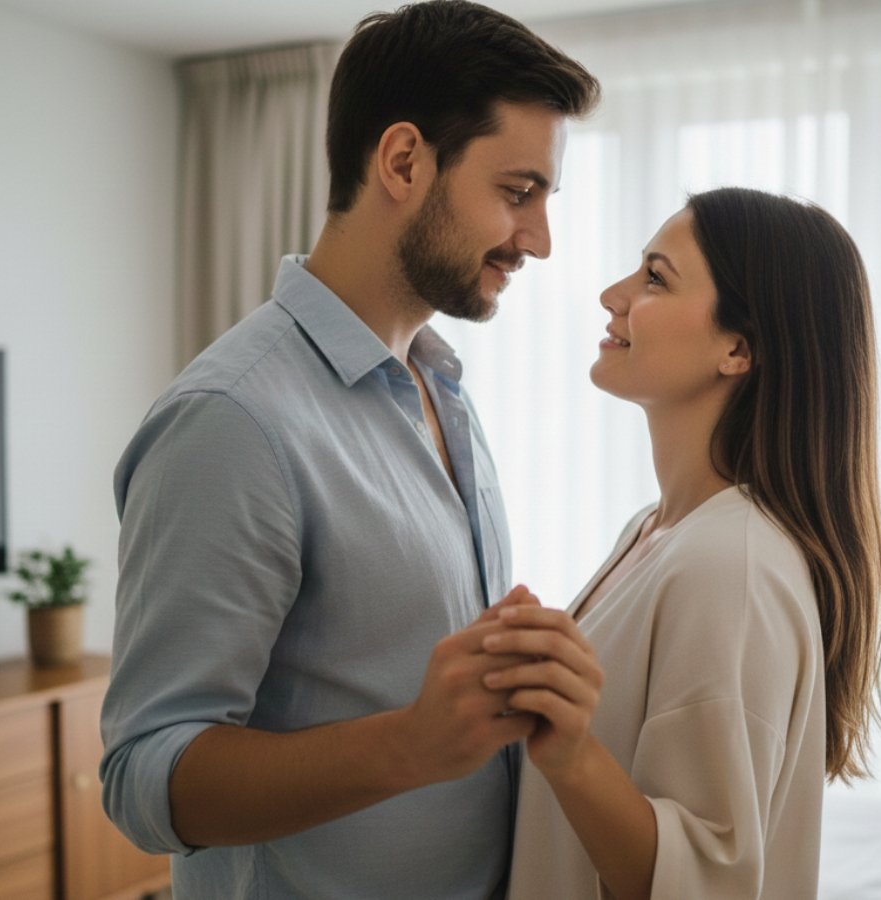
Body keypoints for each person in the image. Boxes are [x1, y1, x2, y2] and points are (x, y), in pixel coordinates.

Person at [99, 2, 599, 897]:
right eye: (517, 193)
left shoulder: (443, 388)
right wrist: (408, 742)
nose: (540, 240)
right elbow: (144, 776)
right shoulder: (232, 420)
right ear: (403, 161)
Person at [481, 187, 881, 899]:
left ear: (738, 348)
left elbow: (706, 880)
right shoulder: (656, 529)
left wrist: (572, 753)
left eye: (654, 277)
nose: (613, 295)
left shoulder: (727, 566)